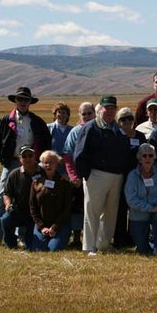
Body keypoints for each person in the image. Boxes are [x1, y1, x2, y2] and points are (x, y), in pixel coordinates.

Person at [0, 86, 51, 246]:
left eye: (26, 100)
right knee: (1, 200)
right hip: (11, 163)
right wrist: (4, 159)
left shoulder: (37, 122)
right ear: (15, 101)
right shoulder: (5, 121)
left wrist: (39, 161)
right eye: (20, 99)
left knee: (30, 200)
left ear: (30, 102)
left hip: (32, 164)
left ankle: (24, 237)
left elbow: (46, 142)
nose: (23, 102)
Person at [74, 95, 129, 255]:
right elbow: (79, 153)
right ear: (100, 109)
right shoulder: (91, 127)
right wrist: (86, 175)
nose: (110, 111)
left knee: (110, 212)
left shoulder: (117, 128)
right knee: (93, 211)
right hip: (96, 175)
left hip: (116, 176)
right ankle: (89, 246)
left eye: (113, 108)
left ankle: (103, 244)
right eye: (107, 108)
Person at [124, 143, 157, 256]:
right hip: (138, 215)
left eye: (150, 155)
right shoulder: (132, 176)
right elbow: (131, 199)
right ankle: (145, 244)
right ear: (140, 159)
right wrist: (150, 208)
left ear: (154, 158)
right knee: (142, 250)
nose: (147, 158)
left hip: (156, 212)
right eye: (144, 156)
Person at [62, 102, 95, 248]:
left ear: (95, 113)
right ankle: (76, 237)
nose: (87, 116)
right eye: (84, 114)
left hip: (96, 176)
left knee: (93, 208)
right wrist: (73, 176)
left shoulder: (99, 129)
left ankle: (94, 237)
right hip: (79, 178)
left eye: (90, 113)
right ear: (79, 116)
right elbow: (67, 156)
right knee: (77, 207)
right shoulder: (75, 132)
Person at [115, 107, 147, 248]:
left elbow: (146, 154)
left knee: (135, 208)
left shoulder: (140, 136)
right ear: (118, 121)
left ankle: (135, 237)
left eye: (129, 118)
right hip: (119, 176)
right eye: (123, 119)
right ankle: (120, 239)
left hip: (137, 177)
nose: (127, 121)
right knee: (121, 209)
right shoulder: (115, 135)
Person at [0, 146, 43, 249]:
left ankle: (29, 241)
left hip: (37, 214)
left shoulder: (43, 172)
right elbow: (7, 193)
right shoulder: (14, 174)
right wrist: (8, 205)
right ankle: (11, 244)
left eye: (30, 155)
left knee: (32, 247)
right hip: (19, 211)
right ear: (20, 159)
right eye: (24, 156)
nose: (27, 158)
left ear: (35, 156)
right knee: (5, 219)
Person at [30, 150, 73, 251]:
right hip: (42, 225)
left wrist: (54, 227)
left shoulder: (64, 182)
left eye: (51, 162)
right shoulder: (36, 182)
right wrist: (41, 227)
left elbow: (67, 208)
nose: (48, 165)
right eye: (45, 162)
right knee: (38, 250)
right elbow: (32, 207)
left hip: (60, 225)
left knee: (53, 249)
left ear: (57, 164)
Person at [47, 101, 72, 174]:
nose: (61, 115)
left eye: (64, 112)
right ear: (55, 115)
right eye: (59, 112)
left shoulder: (72, 130)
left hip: (68, 166)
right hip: (52, 166)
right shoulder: (49, 128)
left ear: (68, 115)